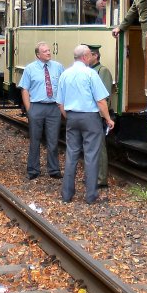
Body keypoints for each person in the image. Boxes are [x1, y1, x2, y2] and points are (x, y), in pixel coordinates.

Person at [56, 45, 115, 204]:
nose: (90, 58)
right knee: (91, 156)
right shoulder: (91, 74)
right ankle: (91, 196)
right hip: (90, 118)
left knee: (71, 155)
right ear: (84, 57)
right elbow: (101, 101)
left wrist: (69, 117)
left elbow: (59, 102)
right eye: (89, 55)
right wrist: (108, 119)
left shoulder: (65, 74)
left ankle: (67, 195)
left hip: (72, 117)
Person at [19, 42, 64, 180]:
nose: (49, 53)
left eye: (49, 50)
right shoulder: (30, 69)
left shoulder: (58, 67)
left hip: (53, 107)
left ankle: (54, 169)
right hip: (36, 106)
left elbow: (63, 86)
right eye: (45, 51)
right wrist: (29, 110)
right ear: (38, 55)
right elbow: (24, 89)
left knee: (53, 140)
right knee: (35, 140)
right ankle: (33, 170)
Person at [86, 44, 113, 188]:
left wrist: (104, 117)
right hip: (88, 115)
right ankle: (92, 176)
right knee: (90, 148)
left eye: (88, 55)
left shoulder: (102, 71)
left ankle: (101, 179)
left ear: (95, 56)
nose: (85, 58)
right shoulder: (88, 71)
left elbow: (105, 97)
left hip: (97, 115)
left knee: (99, 148)